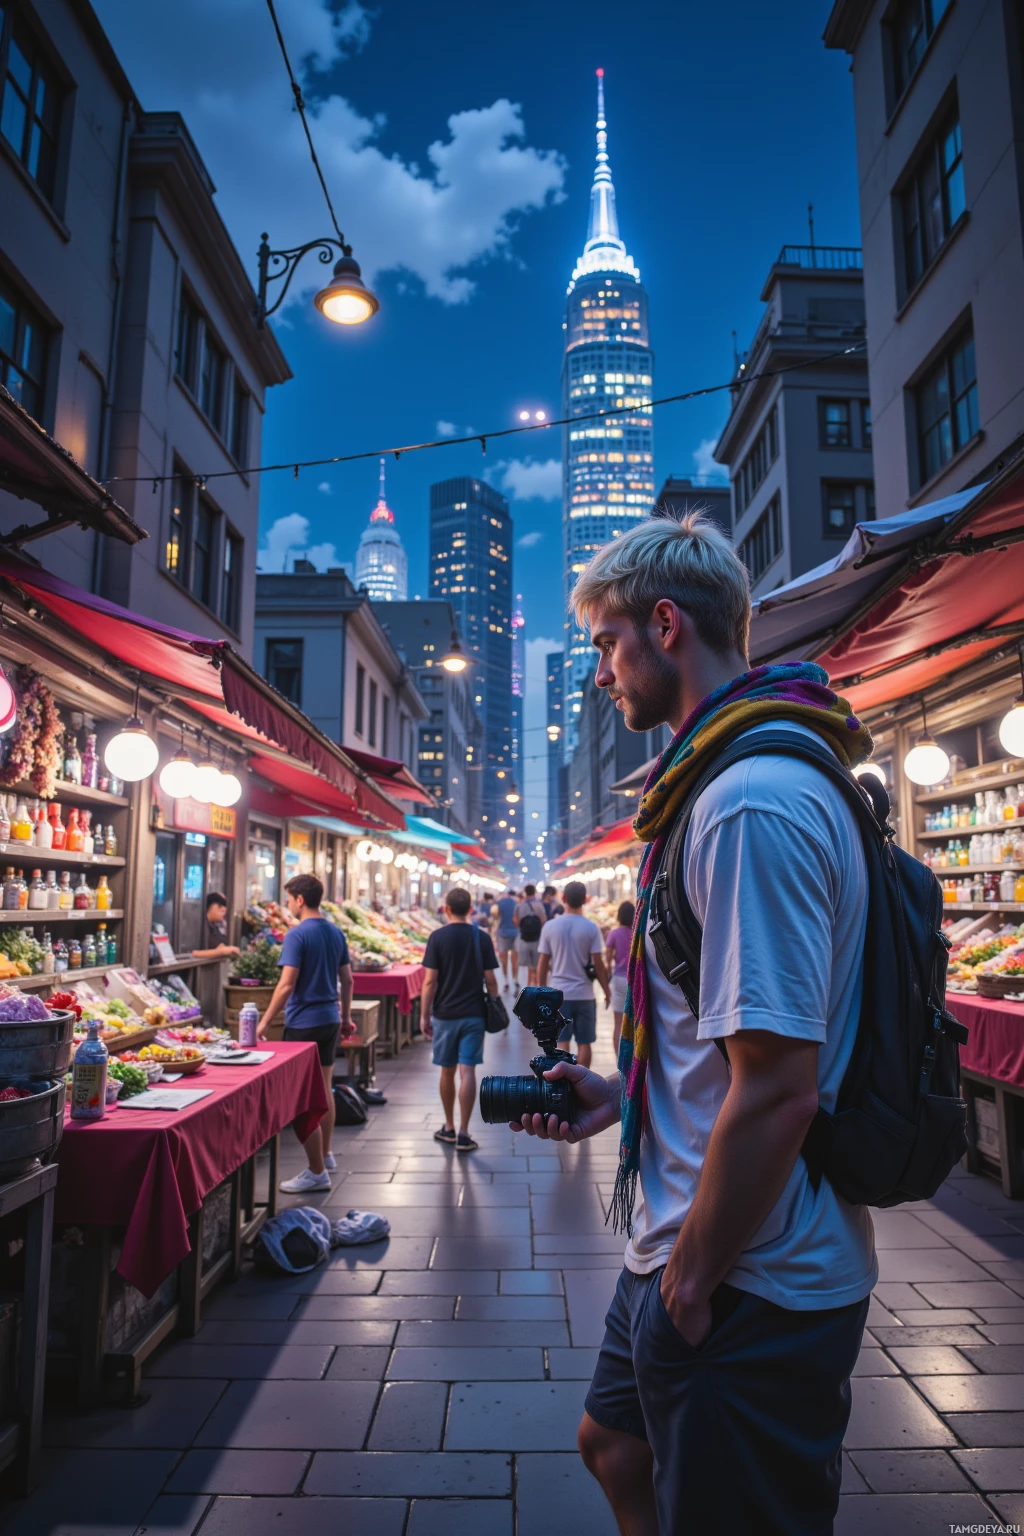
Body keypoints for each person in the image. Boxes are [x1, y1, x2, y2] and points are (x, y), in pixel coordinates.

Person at [512, 513, 876, 1536]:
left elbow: (776, 1086)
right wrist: (618, 1108)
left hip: (746, 1268)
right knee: (614, 1446)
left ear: (664, 624)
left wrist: (691, 1281)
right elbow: (716, 1050)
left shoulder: (746, 802)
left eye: (605, 644)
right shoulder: (711, 789)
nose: (599, 675)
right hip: (691, 1237)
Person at [257, 873, 355, 1194]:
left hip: (304, 1023)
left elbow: (286, 984)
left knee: (301, 1097)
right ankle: (326, 1155)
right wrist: (345, 1017)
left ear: (299, 900)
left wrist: (264, 1022)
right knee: (325, 1086)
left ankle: (315, 1171)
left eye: (288, 899)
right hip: (329, 1018)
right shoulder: (335, 932)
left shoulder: (297, 935)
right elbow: (348, 980)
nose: (287, 905)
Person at [420, 886, 499, 1153]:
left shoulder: (437, 937)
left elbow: (430, 981)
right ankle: (465, 1133)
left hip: (444, 1015)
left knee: (447, 1070)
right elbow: (490, 978)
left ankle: (449, 1127)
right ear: (471, 910)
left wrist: (424, 1014)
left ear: (446, 909)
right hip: (474, 1013)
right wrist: (496, 1001)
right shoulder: (482, 938)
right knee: (468, 1070)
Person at [536, 881, 609, 1069]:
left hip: (558, 996)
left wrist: (540, 995)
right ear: (585, 900)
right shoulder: (591, 928)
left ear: (563, 899)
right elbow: (598, 965)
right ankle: (583, 1082)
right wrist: (606, 991)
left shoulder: (550, 927)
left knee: (561, 1042)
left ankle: (564, 1082)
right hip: (585, 995)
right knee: (585, 1042)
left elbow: (542, 965)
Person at [605, 899, 635, 1057]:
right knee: (635, 1020)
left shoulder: (614, 933)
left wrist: (607, 978)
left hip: (618, 978)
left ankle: (620, 1059)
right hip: (635, 979)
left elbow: (608, 958)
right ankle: (635, 1057)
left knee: (618, 1022)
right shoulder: (637, 933)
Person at [514, 883, 547, 987]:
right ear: (535, 892)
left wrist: (523, 927)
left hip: (524, 938)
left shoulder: (520, 905)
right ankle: (536, 984)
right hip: (537, 938)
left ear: (525, 893)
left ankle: (528, 985)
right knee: (536, 964)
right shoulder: (539, 905)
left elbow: (516, 920)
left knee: (527, 964)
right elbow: (544, 921)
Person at [192, 892, 240, 960]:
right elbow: (192, 954)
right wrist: (219, 952)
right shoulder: (197, 925)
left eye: (224, 907)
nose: (223, 910)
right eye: (219, 906)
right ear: (209, 906)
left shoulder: (215, 927)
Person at [490, 888, 519, 988]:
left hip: (503, 932)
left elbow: (495, 916)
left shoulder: (500, 903)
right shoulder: (516, 903)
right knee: (515, 957)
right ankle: (515, 978)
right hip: (515, 932)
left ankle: (506, 979)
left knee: (504, 958)